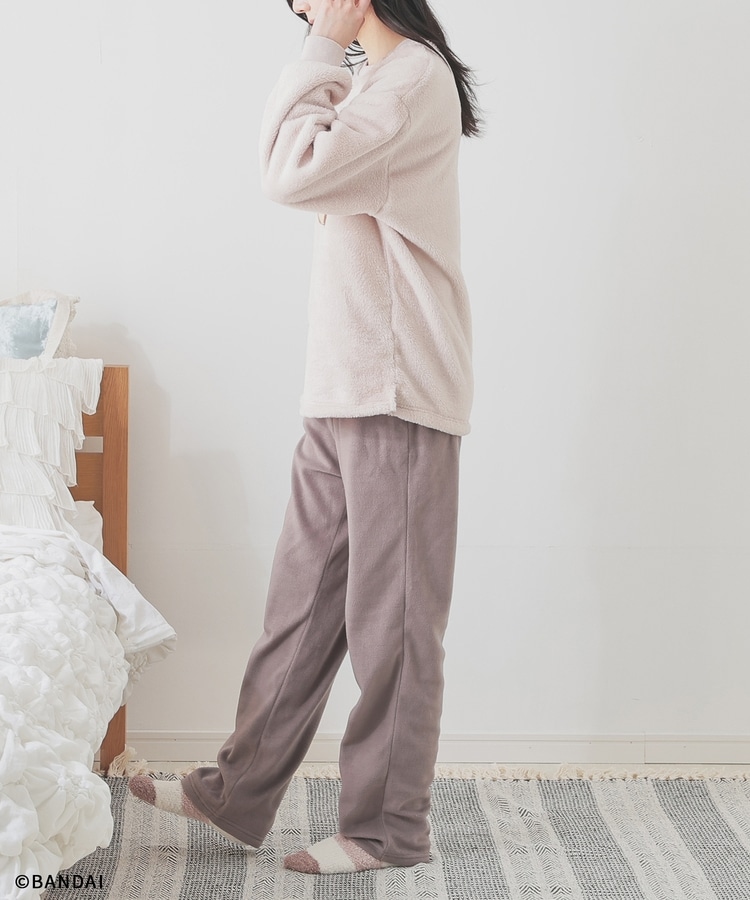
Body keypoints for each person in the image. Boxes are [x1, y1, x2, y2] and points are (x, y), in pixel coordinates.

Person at [130, 0, 482, 876]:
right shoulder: (380, 82)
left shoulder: (411, 80)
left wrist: (323, 45)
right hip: (346, 390)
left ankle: (389, 829)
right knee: (301, 609)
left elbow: (290, 172)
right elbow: (299, 164)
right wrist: (327, 50)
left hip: (397, 393)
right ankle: (237, 789)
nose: (302, 7)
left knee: (394, 627)